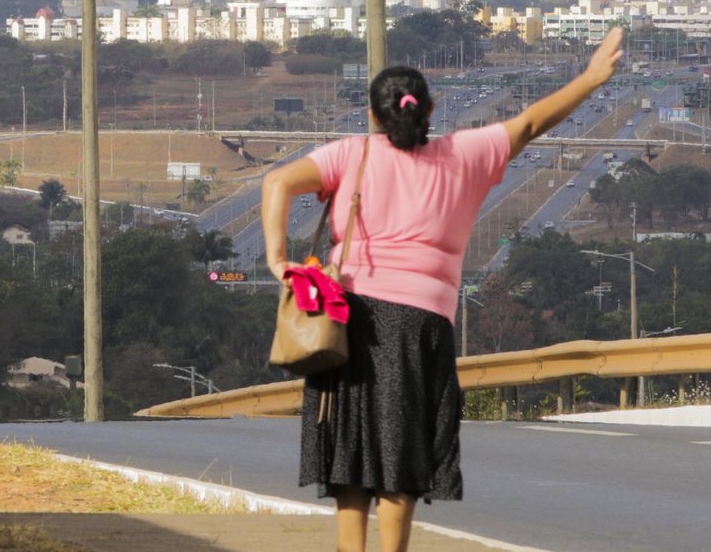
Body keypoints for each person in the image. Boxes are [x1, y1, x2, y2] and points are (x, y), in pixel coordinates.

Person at [260, 27, 623, 552]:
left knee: (350, 444)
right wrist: (590, 78)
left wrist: (278, 261)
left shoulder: (351, 153)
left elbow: (276, 183)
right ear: (429, 109)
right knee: (402, 448)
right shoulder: (465, 154)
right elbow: (531, 122)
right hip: (421, 323)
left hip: (347, 316)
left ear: (373, 116)